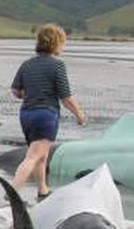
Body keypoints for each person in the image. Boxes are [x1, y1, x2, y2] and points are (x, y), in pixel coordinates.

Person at [11, 23, 86, 201]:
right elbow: (65, 96)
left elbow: (15, 90)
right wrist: (79, 114)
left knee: (41, 156)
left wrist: (30, 93)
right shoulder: (57, 66)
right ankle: (12, 192)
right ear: (57, 43)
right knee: (33, 157)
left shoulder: (27, 64)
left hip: (26, 114)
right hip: (46, 115)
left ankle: (43, 191)